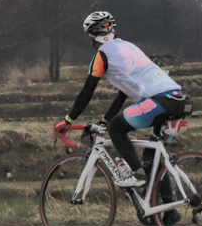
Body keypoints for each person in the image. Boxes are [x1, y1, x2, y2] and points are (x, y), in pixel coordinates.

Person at [54, 11, 191, 189]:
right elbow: (124, 91)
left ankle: (137, 174)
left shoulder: (102, 55)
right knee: (153, 159)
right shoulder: (129, 47)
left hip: (160, 101)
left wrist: (68, 120)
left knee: (116, 128)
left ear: (92, 36)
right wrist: (106, 118)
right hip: (180, 100)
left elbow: (87, 91)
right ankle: (169, 213)